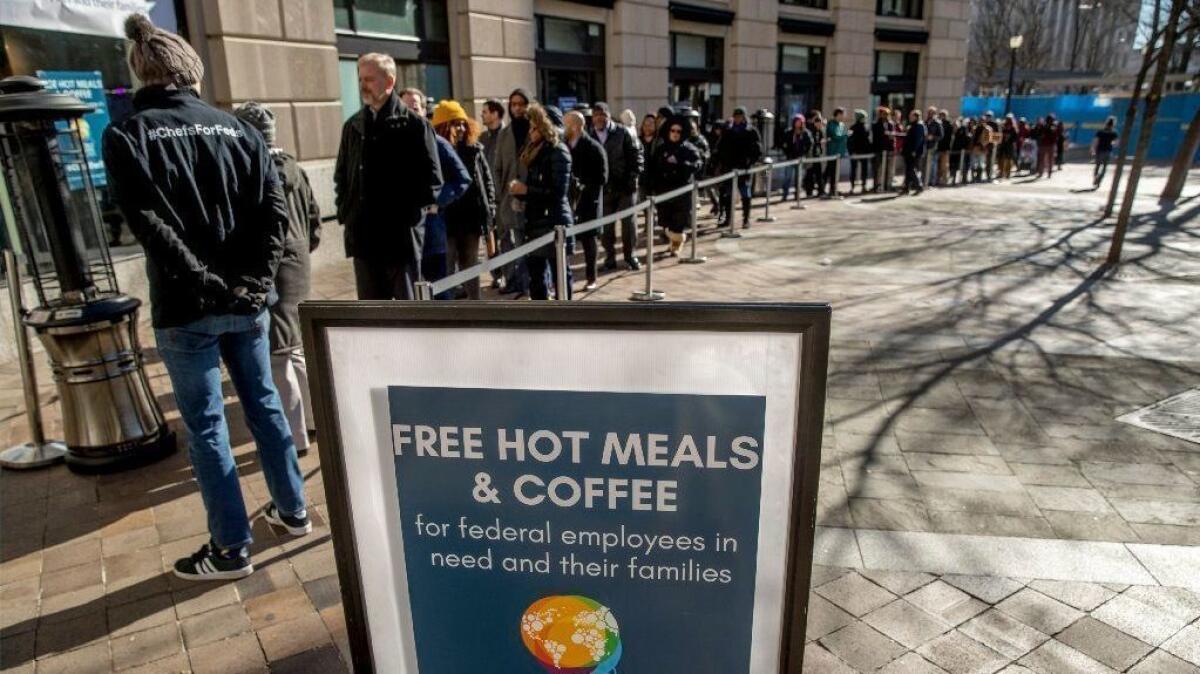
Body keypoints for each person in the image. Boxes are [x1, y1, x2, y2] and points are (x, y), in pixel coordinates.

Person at [103, 14, 309, 580]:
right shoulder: (237, 130)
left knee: (210, 428)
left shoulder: (126, 135)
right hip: (244, 303)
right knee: (264, 408)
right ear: (189, 70)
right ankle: (293, 510)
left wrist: (210, 284)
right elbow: (275, 215)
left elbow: (150, 227)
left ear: (141, 71)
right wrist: (255, 282)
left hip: (188, 306)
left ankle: (230, 547)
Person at [232, 102, 320, 458]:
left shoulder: (255, 171)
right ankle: (314, 422)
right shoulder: (294, 167)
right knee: (295, 348)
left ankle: (296, 437)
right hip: (297, 262)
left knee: (281, 354)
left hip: (275, 267)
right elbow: (314, 220)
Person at [335, 53, 441, 300]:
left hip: (399, 241)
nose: (363, 85)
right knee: (372, 316)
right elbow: (342, 176)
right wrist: (346, 212)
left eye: (370, 79)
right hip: (363, 239)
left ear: (389, 82)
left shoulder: (414, 126)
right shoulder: (353, 126)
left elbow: (432, 182)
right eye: (361, 78)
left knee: (407, 315)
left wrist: (402, 213)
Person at [405, 95, 470, 297]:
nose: (409, 112)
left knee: (439, 291)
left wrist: (436, 201)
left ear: (424, 111)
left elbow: (462, 179)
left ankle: (446, 328)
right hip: (400, 238)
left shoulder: (436, 142)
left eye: (414, 107)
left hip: (430, 233)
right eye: (404, 107)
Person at [509, 104, 572, 300]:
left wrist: (527, 190)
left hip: (553, 222)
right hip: (535, 222)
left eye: (534, 127)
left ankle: (566, 318)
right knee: (536, 278)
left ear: (546, 128)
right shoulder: (534, 150)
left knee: (560, 275)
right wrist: (519, 192)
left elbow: (558, 193)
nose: (530, 132)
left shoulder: (558, 152)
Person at [436, 101, 496, 300]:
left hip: (471, 218)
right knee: (446, 267)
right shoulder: (435, 150)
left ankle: (475, 306)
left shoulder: (474, 149)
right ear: (444, 125)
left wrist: (491, 210)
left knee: (470, 265)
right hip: (446, 219)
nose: (461, 129)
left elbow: (487, 181)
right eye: (455, 124)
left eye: (463, 123)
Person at [590, 102, 643, 271]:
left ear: (608, 115)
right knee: (606, 227)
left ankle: (630, 256)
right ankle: (610, 258)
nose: (599, 118)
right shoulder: (589, 135)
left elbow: (637, 156)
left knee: (629, 225)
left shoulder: (622, 132)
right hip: (604, 189)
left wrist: (632, 178)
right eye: (596, 114)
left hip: (625, 187)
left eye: (602, 114)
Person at [493, 88, 534, 296]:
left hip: (533, 195)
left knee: (529, 244)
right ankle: (514, 281)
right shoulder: (504, 134)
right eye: (514, 104)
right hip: (509, 199)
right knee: (511, 243)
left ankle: (529, 285)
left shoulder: (535, 130)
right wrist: (500, 196)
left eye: (521, 104)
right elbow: (498, 167)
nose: (517, 108)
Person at [564, 110, 608, 291]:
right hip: (569, 201)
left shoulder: (594, 147)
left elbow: (602, 177)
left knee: (589, 242)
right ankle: (564, 278)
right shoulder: (563, 145)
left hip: (588, 202)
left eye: (566, 124)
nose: (563, 127)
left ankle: (591, 278)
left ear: (576, 126)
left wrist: (583, 187)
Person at [648, 116, 703, 256]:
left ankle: (676, 245)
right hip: (664, 191)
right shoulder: (660, 148)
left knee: (678, 222)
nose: (675, 133)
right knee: (666, 221)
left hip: (682, 192)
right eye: (673, 130)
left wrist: (680, 164)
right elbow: (653, 168)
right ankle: (675, 242)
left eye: (678, 131)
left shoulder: (689, 148)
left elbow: (697, 164)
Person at [716, 107, 763, 228]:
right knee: (728, 195)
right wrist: (722, 163)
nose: (737, 119)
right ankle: (728, 219)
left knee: (745, 194)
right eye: (736, 116)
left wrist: (749, 162)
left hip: (744, 168)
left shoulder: (751, 131)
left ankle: (746, 219)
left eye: (740, 116)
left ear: (744, 117)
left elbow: (757, 149)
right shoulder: (728, 130)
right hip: (729, 167)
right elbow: (720, 147)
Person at [780, 114, 813, 200]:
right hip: (790, 158)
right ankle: (785, 194)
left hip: (800, 158)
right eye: (796, 122)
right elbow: (784, 144)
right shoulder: (789, 132)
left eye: (800, 122)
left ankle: (797, 195)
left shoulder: (806, 133)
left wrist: (804, 153)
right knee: (787, 177)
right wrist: (787, 153)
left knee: (799, 178)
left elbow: (810, 144)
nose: (798, 124)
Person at [900, 109, 926, 195]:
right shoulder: (912, 125)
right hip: (908, 151)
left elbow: (918, 140)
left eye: (911, 116)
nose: (910, 117)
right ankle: (906, 187)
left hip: (913, 152)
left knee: (912, 169)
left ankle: (919, 185)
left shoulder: (919, 126)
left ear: (916, 116)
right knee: (908, 170)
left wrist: (914, 150)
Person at [824, 108, 848, 197]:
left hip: (839, 152)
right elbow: (836, 136)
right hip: (832, 152)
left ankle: (833, 189)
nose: (843, 116)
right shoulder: (831, 124)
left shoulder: (842, 125)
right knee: (830, 171)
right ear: (838, 114)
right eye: (842, 114)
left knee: (835, 172)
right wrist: (846, 135)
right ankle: (824, 188)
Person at [848, 109, 872, 194]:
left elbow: (868, 141)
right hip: (856, 152)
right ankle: (853, 186)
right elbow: (849, 140)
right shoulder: (853, 128)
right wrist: (851, 151)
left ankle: (862, 186)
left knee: (862, 170)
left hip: (863, 152)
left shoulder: (866, 127)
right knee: (854, 170)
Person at [805, 111, 826, 198]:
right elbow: (811, 142)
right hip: (810, 155)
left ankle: (821, 191)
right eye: (817, 120)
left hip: (818, 155)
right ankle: (809, 191)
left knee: (819, 173)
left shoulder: (820, 131)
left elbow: (821, 140)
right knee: (809, 174)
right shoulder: (809, 129)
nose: (818, 123)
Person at [1092, 116, 1118, 188]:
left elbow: (1095, 141)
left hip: (1099, 151)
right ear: (1114, 124)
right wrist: (1111, 144)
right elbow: (1116, 143)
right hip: (1108, 151)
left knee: (1097, 166)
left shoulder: (1100, 132)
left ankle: (1096, 177)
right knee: (1104, 167)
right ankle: (1099, 180)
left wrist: (1093, 149)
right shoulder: (1114, 133)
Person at [479, 98, 505, 168]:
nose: (481, 115)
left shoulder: (508, 137)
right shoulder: (481, 137)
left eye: (484, 112)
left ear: (495, 114)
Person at [871, 106, 892, 192]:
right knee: (877, 168)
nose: (885, 116)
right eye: (883, 114)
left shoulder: (890, 124)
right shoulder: (875, 124)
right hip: (878, 149)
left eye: (887, 114)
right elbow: (876, 137)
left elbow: (891, 137)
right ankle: (876, 185)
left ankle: (886, 185)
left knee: (887, 168)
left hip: (887, 149)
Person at [1035, 114, 1060, 178]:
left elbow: (1055, 136)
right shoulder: (1047, 126)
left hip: (1047, 145)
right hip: (1047, 145)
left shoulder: (1049, 126)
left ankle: (1045, 173)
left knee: (1045, 160)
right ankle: (1046, 173)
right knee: (1048, 160)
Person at [923, 106, 942, 187]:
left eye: (932, 113)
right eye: (929, 112)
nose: (930, 114)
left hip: (933, 147)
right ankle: (924, 179)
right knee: (924, 164)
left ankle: (932, 181)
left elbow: (941, 135)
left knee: (933, 164)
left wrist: (933, 137)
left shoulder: (937, 123)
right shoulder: (925, 122)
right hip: (925, 146)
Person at [996, 114, 1019, 180]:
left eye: (1010, 119)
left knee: (1009, 160)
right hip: (1003, 146)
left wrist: (1009, 138)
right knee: (1001, 159)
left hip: (1010, 146)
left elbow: (1015, 138)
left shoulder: (1014, 128)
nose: (1008, 120)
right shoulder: (1003, 127)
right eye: (1007, 119)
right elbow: (999, 135)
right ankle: (1001, 172)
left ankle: (1007, 174)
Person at [950, 117, 970, 185]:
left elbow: (964, 139)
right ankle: (953, 178)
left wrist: (963, 148)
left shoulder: (963, 129)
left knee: (959, 165)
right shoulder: (952, 129)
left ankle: (960, 179)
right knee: (952, 165)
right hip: (953, 150)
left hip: (960, 151)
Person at [936, 109, 953, 186]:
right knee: (938, 165)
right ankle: (938, 179)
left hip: (945, 148)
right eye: (941, 115)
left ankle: (945, 180)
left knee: (944, 165)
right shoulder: (938, 123)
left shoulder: (949, 124)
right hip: (938, 148)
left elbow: (949, 138)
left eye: (943, 115)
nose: (941, 116)